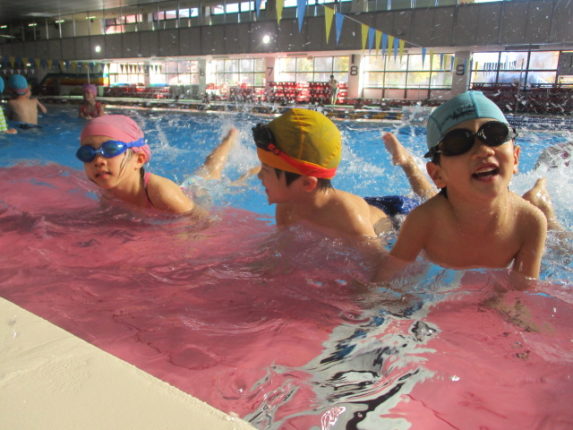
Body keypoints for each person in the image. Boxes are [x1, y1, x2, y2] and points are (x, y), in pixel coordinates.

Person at [376, 91, 548, 279]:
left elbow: (523, 290)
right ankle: (408, 164)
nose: (483, 150)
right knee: (430, 200)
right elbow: (385, 280)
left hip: (453, 204)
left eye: (495, 135)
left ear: (515, 158)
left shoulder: (530, 222)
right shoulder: (422, 221)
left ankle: (538, 195)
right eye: (458, 143)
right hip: (441, 209)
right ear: (437, 174)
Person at [252, 108, 392, 252]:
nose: (259, 176)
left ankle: (405, 162)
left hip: (392, 216)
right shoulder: (286, 206)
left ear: (307, 183)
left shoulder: (348, 217)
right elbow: (281, 246)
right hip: (363, 206)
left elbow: (384, 263)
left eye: (266, 170)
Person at [77, 114, 239, 215]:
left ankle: (229, 140)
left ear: (139, 159)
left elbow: (204, 222)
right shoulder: (107, 191)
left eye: (111, 149)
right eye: (87, 153)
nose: (98, 161)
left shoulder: (162, 193)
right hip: (179, 194)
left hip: (195, 196)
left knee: (210, 173)